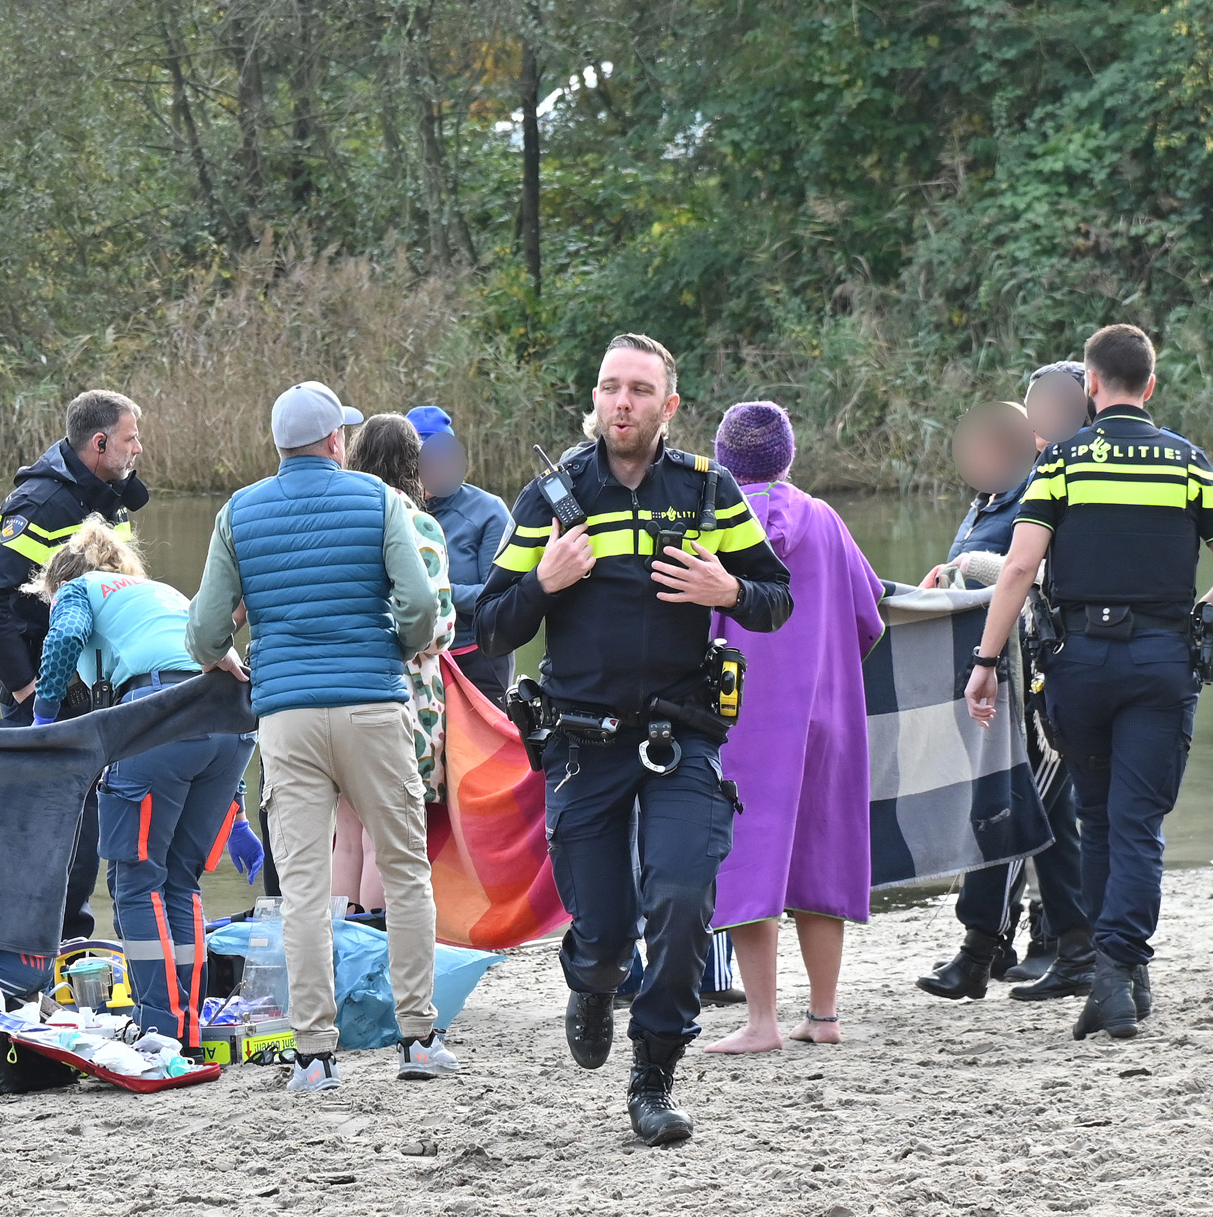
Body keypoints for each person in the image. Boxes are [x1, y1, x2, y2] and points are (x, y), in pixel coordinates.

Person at [474, 333, 792, 1144]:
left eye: (640, 391)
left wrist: (729, 588)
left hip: (680, 736)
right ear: (594, 400)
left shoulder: (707, 490)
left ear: (668, 405)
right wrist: (545, 583)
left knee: (683, 895)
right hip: (582, 741)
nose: (623, 402)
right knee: (606, 929)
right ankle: (591, 978)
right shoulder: (550, 498)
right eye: (611, 388)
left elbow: (776, 598)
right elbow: (490, 620)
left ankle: (654, 1073)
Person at [965, 324, 1213, 1041]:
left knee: (1096, 820)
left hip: (1079, 664)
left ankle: (1113, 973)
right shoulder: (1187, 462)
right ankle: (1123, 974)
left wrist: (984, 661)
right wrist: (1202, 617)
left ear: (1090, 387)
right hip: (1161, 663)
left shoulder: (1060, 463)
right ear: (1149, 386)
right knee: (1138, 828)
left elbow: (1022, 568)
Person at [186, 380, 456, 1092]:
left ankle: (314, 1055)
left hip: (286, 717)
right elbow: (421, 606)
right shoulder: (378, 500)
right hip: (373, 705)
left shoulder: (238, 513)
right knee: (404, 872)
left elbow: (204, 633)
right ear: (336, 440)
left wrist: (242, 661)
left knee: (304, 889)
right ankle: (417, 1039)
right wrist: (395, 646)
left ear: (279, 445)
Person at [696, 403, 884, 1054]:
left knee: (750, 856)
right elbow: (870, 619)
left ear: (722, 457)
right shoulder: (827, 521)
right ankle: (825, 1016)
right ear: (788, 456)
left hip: (744, 716)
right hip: (827, 715)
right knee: (820, 854)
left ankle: (762, 1021)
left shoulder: (713, 524)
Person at [24, 517, 254, 1048]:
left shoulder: (78, 590)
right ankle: (188, 1025)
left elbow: (64, 639)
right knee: (180, 881)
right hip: (233, 726)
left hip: (159, 720)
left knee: (135, 880)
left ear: (60, 583)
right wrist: (236, 816)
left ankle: (159, 1023)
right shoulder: (163, 593)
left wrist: (42, 719)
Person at [918, 364, 1094, 1003]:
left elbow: (1036, 574)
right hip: (1003, 679)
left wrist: (973, 567)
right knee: (1034, 815)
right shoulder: (1000, 491)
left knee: (1015, 809)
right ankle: (1058, 943)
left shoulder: (1067, 483)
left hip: (1043, 677)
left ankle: (990, 949)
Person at [0, 389, 150, 941]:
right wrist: (25, 687)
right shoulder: (43, 504)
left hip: (93, 693)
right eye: (130, 438)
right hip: (45, 697)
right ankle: (19, 947)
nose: (138, 448)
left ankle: (70, 945)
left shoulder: (107, 497)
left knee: (85, 830)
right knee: (40, 828)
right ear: (98, 444)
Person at [334, 413, 457, 912]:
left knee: (345, 835)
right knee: (385, 840)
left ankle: (338, 956)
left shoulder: (339, 518)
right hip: (401, 696)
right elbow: (438, 628)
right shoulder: (419, 523)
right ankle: (379, 957)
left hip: (337, 689)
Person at [411, 406, 515, 704]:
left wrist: (435, 592)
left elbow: (496, 596)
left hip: (479, 658)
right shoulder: (395, 510)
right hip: (417, 661)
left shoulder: (488, 510)